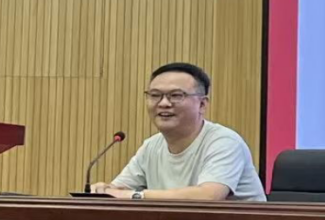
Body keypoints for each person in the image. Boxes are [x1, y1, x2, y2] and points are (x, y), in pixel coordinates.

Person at [92, 62, 266, 201]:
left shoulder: (224, 142)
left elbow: (209, 196)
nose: (164, 103)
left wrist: (136, 196)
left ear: (202, 104)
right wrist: (104, 191)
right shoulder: (151, 146)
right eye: (155, 95)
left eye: (176, 95)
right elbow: (120, 191)